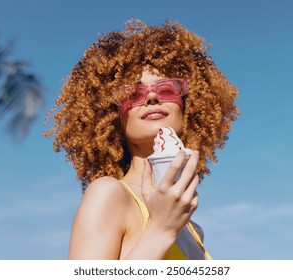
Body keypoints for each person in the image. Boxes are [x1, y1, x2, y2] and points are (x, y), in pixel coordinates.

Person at [45, 19, 239, 259]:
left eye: (167, 89)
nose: (153, 97)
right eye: (132, 94)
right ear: (111, 115)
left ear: (189, 107)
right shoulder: (109, 195)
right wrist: (161, 229)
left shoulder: (193, 229)